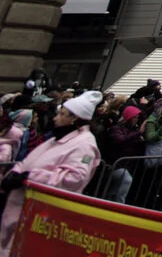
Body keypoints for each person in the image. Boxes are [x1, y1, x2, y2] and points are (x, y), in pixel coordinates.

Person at [0, 90, 102, 253]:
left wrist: (31, 176)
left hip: (42, 216)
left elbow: (75, 178)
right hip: (21, 210)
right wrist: (15, 173)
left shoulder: (84, 145)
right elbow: (30, 160)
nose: (55, 118)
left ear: (74, 119)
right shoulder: (57, 138)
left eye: (62, 114)